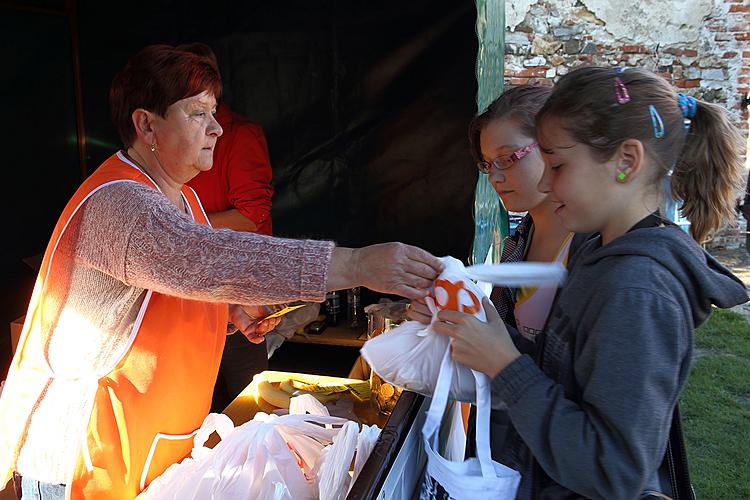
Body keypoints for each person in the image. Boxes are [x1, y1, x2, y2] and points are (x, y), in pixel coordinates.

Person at [0, 44, 443, 499]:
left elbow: (178, 285)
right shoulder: (119, 201)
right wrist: (357, 264)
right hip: (80, 453)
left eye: (214, 112)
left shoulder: (184, 199)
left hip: (152, 446)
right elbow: (200, 259)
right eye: (197, 113)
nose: (215, 129)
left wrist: (231, 310)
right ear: (145, 124)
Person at [428, 66, 748, 498]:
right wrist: (484, 327)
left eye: (557, 164)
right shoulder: (605, 260)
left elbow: (613, 471)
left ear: (626, 161)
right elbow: (563, 377)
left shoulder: (636, 289)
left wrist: (506, 364)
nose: (544, 180)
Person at [177, 42, 277, 413]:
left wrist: (183, 226)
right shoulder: (169, 146)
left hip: (239, 286)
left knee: (247, 405)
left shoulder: (239, 135)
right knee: (196, 408)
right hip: (191, 294)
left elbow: (252, 216)